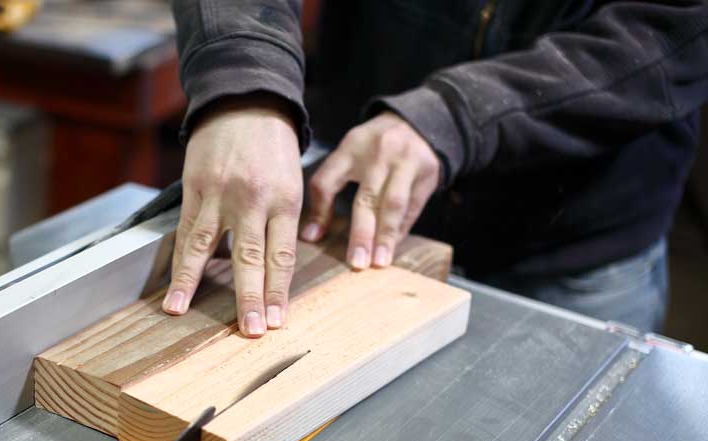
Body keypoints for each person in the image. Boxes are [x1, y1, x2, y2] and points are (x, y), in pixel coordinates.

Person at [162, 1, 708, 337]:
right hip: (362, 209)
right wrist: (244, 82)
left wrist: (459, 114)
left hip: (576, 243)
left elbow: (679, 27)